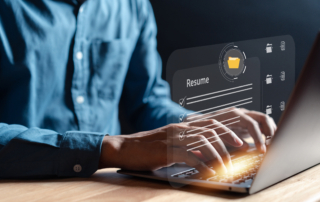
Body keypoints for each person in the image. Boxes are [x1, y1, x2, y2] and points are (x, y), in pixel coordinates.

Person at [0, 0, 276, 178]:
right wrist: (115, 148)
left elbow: (146, 101)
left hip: (104, 187)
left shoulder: (132, 5)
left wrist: (194, 124)